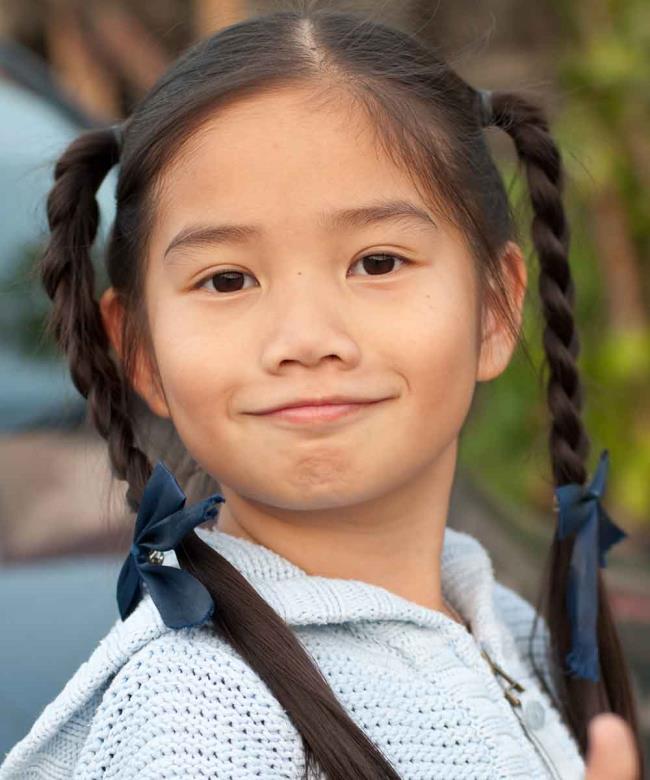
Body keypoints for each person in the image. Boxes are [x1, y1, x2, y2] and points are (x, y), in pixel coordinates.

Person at [0, 7, 643, 779]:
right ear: (139, 348)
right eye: (227, 279)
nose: (306, 337)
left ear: (496, 310)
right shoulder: (201, 719)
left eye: (377, 263)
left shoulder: (505, 623)